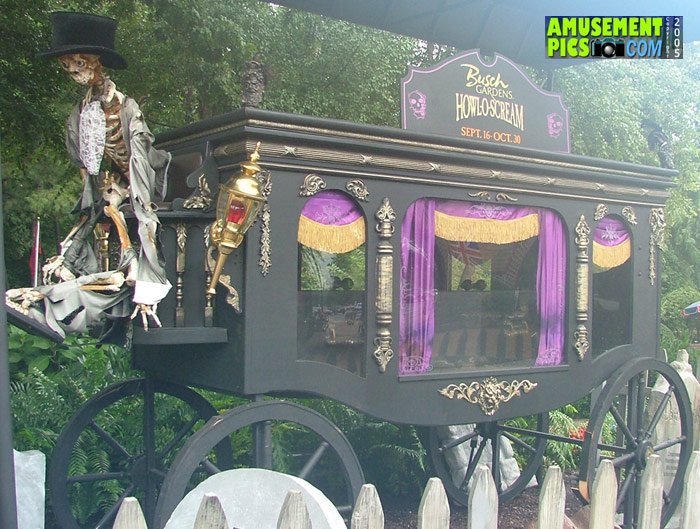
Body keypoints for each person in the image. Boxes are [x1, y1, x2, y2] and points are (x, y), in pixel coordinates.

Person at [6, 12, 171, 337]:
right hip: (111, 192)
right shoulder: (80, 113)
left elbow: (141, 170)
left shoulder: (126, 109)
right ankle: (53, 296)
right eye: (66, 65)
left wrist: (149, 276)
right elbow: (89, 180)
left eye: (79, 63)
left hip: (141, 191)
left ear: (97, 61)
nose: (73, 71)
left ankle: (59, 303)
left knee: (118, 229)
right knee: (97, 221)